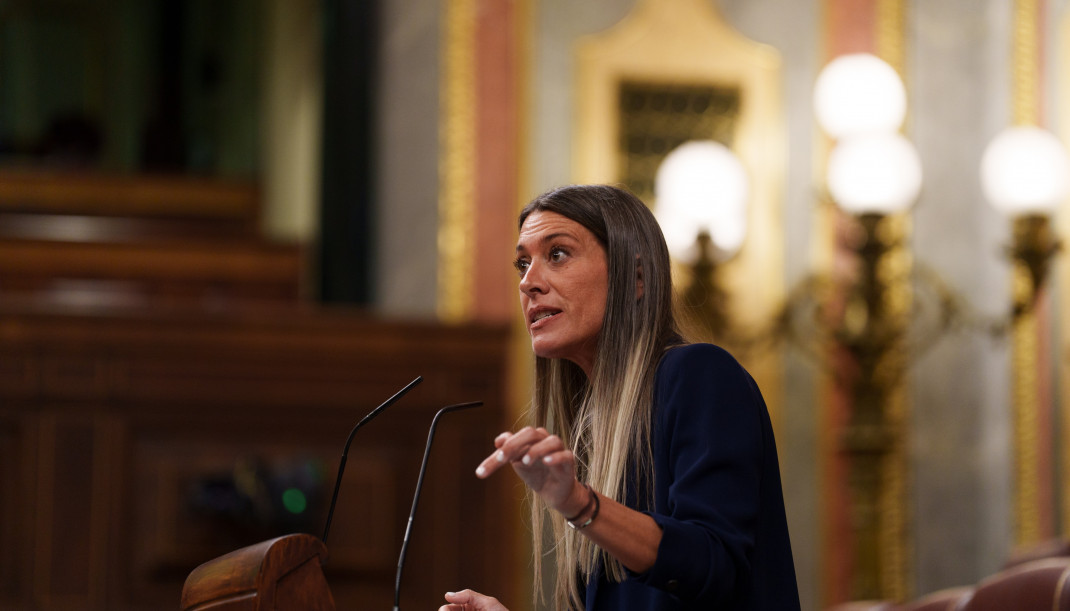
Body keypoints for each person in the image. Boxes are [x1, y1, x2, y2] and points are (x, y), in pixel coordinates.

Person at [440, 184, 800, 611]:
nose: (528, 282)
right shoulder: (592, 423)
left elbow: (714, 565)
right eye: (523, 263)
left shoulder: (699, 374)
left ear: (636, 278)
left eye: (557, 254)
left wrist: (581, 504)